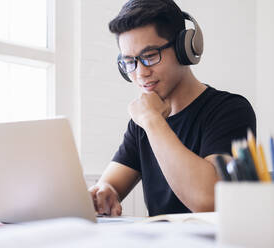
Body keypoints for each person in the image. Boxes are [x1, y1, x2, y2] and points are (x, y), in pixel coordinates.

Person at [89, 0, 256, 217]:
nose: (140, 73)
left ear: (184, 48)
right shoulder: (142, 123)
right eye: (129, 61)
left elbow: (209, 200)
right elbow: (109, 185)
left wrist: (152, 121)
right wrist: (105, 192)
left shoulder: (231, 110)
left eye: (149, 56)